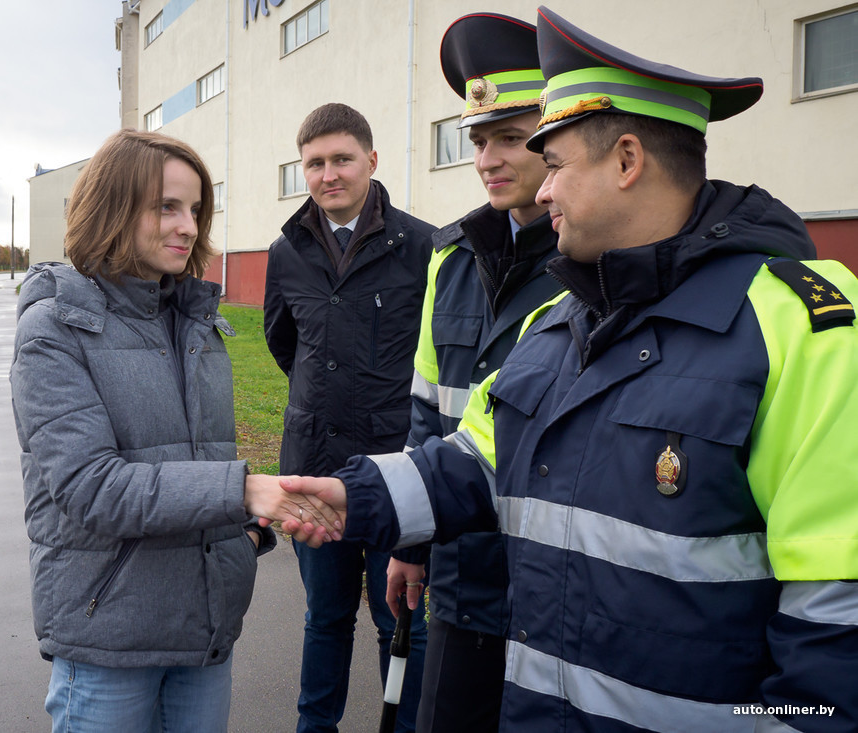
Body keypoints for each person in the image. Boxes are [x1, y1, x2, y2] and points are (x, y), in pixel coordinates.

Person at [280, 7, 858, 731]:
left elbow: (837, 624)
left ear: (626, 160)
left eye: (551, 163)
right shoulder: (559, 325)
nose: (540, 189)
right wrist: (343, 496)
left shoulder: (806, 328)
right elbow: (471, 461)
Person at [10, 129, 338, 733]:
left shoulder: (196, 324)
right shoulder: (55, 330)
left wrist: (248, 533)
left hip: (206, 632)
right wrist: (244, 491)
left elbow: (198, 460)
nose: (188, 227)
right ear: (112, 206)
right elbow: (91, 489)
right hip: (109, 638)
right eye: (167, 206)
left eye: (195, 210)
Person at [385, 13, 562, 733]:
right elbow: (426, 413)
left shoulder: (599, 262)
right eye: (479, 139)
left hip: (550, 587)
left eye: (510, 137)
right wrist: (409, 541)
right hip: (463, 582)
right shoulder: (450, 256)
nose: (487, 158)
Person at [263, 102, 435, 733]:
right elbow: (285, 344)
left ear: (372, 161)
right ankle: (317, 726)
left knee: (402, 621)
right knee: (326, 618)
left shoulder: (424, 247)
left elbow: (436, 361)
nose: (328, 174)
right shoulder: (287, 251)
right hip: (313, 470)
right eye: (315, 163)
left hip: (397, 471)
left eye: (341, 159)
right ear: (302, 170)